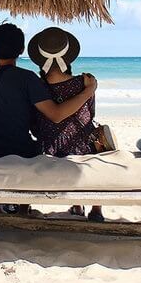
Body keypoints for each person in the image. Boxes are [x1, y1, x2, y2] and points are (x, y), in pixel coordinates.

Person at [0, 23, 97, 215]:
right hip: (18, 150)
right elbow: (56, 114)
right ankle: (23, 208)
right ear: (21, 50)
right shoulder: (27, 79)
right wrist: (89, 91)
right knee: (30, 146)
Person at [28, 26, 116, 222]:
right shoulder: (84, 84)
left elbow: (34, 121)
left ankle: (77, 205)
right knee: (91, 134)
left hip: (48, 147)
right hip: (82, 148)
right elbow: (90, 114)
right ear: (68, 57)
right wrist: (89, 90)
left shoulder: (36, 86)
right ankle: (96, 209)